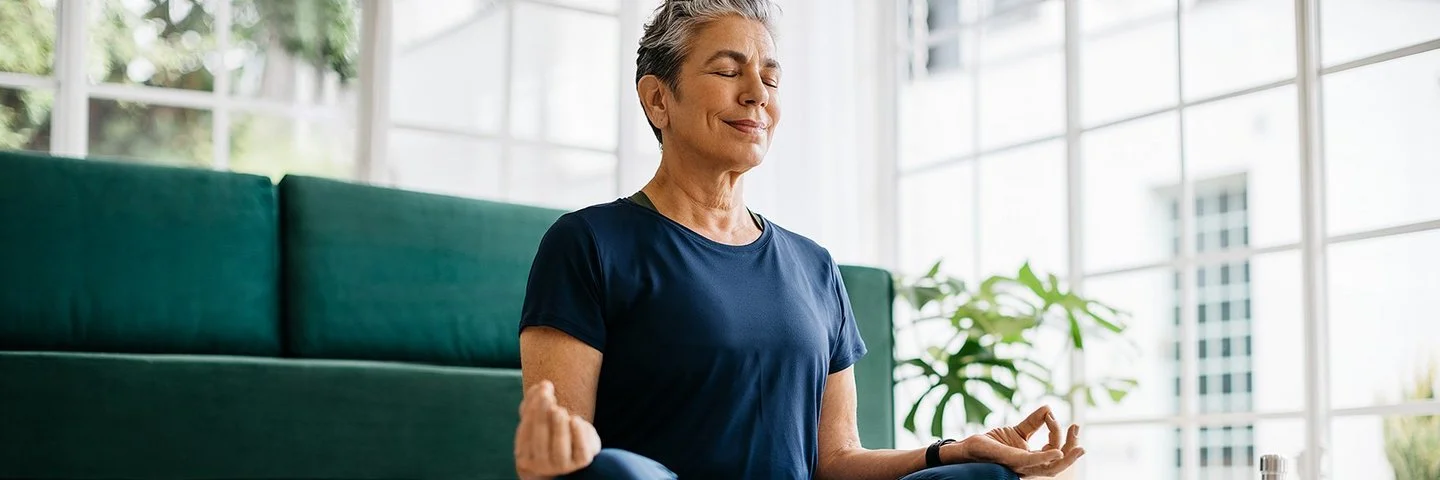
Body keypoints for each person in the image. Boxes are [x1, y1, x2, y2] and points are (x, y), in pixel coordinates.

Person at [514, 1, 1086, 478]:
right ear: (658, 99)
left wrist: (952, 450)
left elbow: (836, 459)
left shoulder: (814, 266)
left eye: (770, 77)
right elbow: (566, 457)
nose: (757, 93)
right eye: (727, 70)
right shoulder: (588, 244)